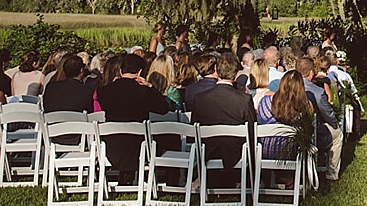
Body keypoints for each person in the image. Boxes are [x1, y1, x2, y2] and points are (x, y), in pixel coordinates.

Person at [95, 53, 171, 184]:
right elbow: (163, 109)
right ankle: (172, 180)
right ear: (140, 72)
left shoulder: (104, 92)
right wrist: (151, 87)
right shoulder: (143, 92)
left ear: (120, 70)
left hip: (112, 145)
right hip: (138, 147)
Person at [187, 52, 256, 182]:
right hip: (235, 152)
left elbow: (194, 129)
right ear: (236, 75)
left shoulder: (200, 98)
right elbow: (252, 131)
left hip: (208, 149)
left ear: (217, 71)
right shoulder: (244, 99)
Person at [298, 56, 342, 183]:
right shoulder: (317, 91)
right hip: (312, 135)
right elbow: (328, 115)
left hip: (291, 132)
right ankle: (332, 173)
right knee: (337, 134)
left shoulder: (287, 88)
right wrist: (335, 124)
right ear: (311, 73)